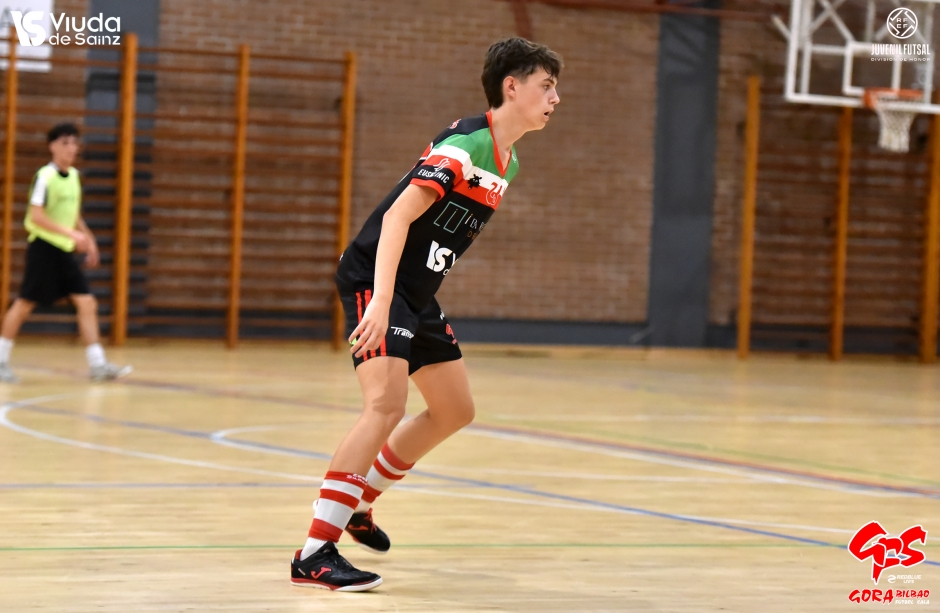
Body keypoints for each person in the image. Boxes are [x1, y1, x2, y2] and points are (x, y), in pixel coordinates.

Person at [290, 37, 561, 592]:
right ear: (512, 87)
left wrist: (408, 298)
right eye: (547, 85)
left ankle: (359, 503)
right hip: (377, 281)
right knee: (385, 405)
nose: (556, 97)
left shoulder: (508, 161)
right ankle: (314, 553)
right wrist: (381, 300)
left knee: (454, 409)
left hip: (415, 294)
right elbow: (396, 218)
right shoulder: (466, 145)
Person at [0, 122, 132, 383]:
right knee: (25, 303)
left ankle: (98, 365)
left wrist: (88, 238)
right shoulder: (45, 177)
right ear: (52, 147)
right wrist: (71, 234)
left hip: (63, 251)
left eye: (74, 143)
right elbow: (36, 216)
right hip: (43, 249)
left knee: (87, 302)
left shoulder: (73, 176)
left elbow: (73, 214)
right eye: (65, 143)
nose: (71, 148)